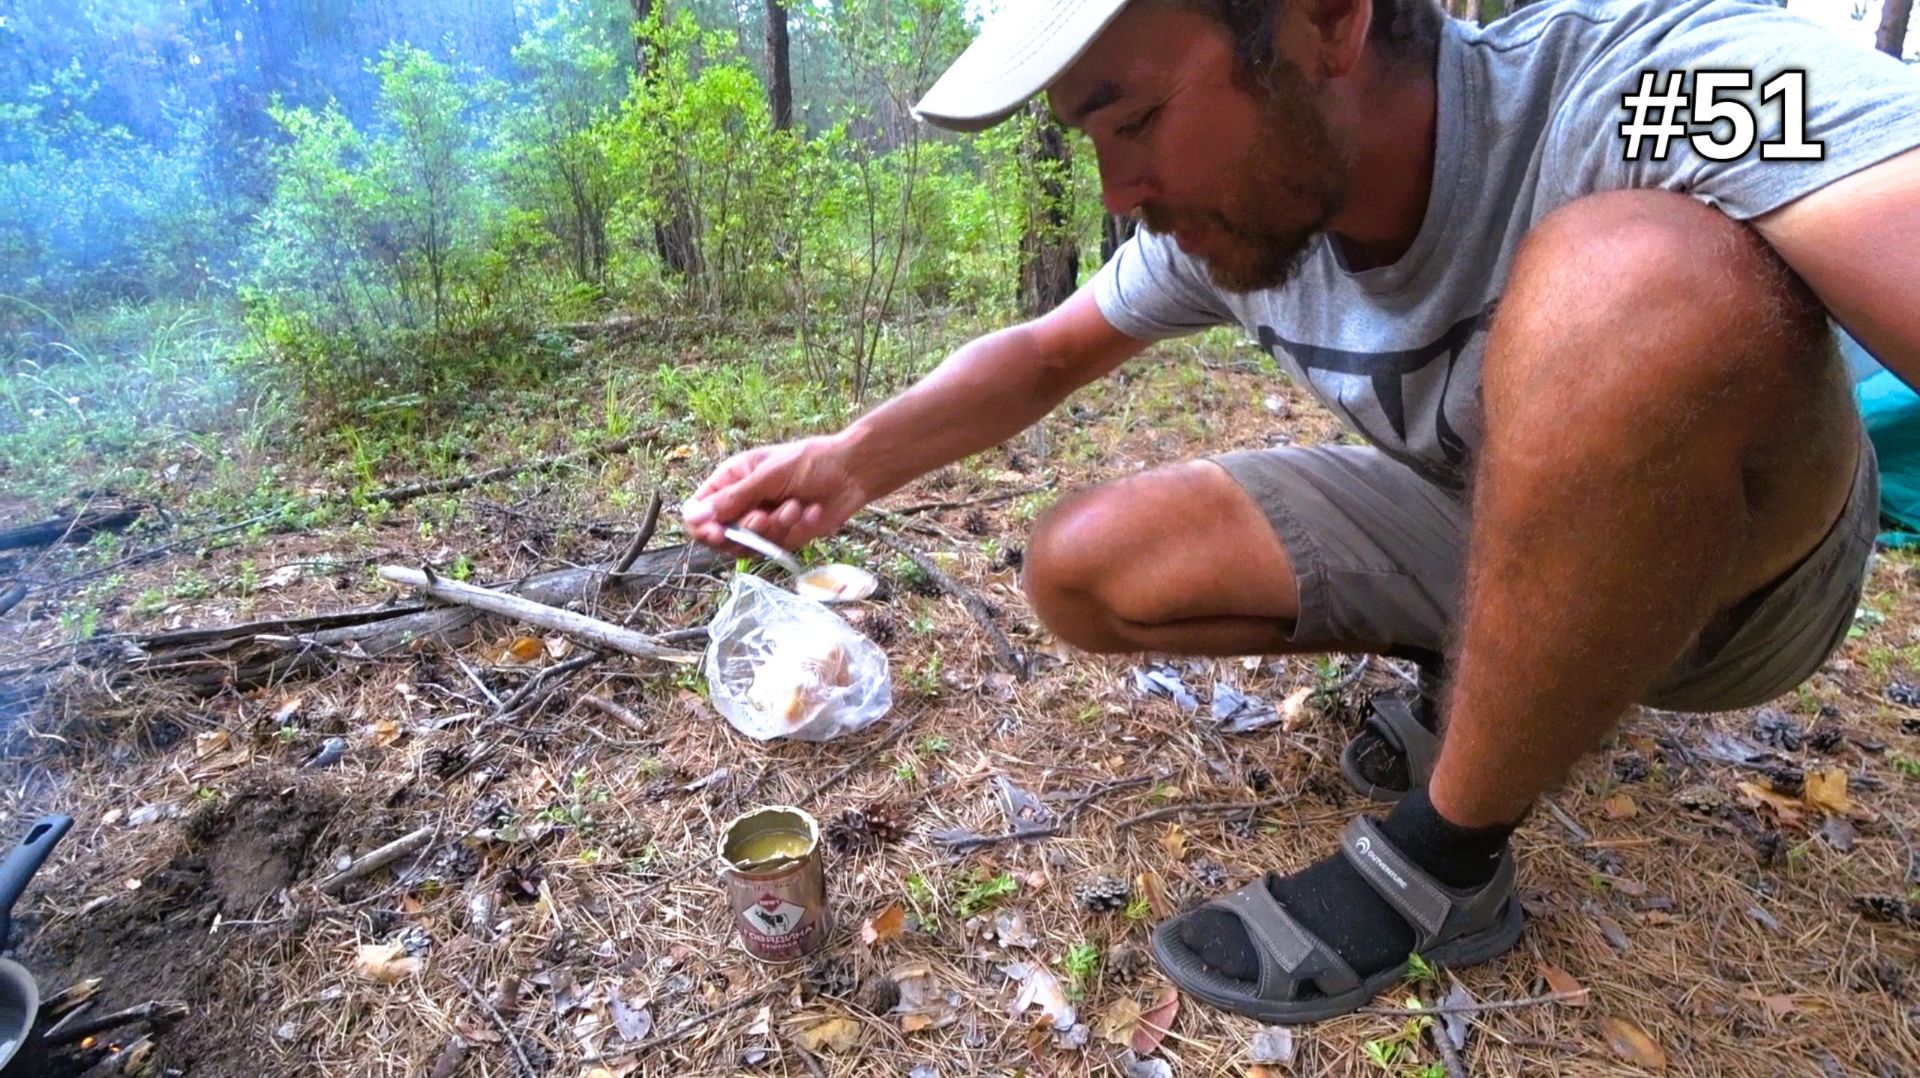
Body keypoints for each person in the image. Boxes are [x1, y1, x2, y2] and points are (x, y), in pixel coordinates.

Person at [685, 0, 1920, 1024]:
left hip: (1744, 589)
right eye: (1092, 138)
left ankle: (1445, 867)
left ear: (1328, 17)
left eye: (1140, 116)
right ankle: (1494, 669)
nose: (1123, 188)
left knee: (1630, 277)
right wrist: (851, 462)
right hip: (1486, 516)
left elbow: (1874, 184)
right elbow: (1047, 354)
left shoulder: (1640, 91)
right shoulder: (1242, 209)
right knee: (1085, 562)